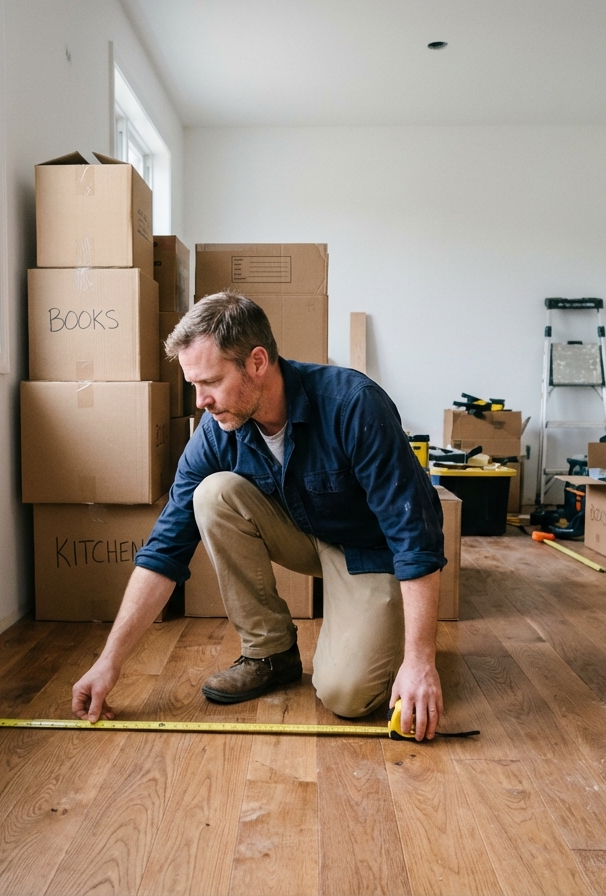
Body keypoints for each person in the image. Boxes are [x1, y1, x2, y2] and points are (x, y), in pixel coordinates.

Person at [70, 291, 448, 739]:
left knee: (347, 696)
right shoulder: (216, 431)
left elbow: (414, 536)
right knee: (212, 495)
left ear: (257, 362)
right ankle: (270, 654)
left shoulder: (353, 404)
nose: (200, 402)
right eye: (193, 385)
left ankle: (388, 637)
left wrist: (420, 660)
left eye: (209, 382)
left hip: (370, 550)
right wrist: (108, 662)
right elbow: (165, 548)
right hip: (306, 531)